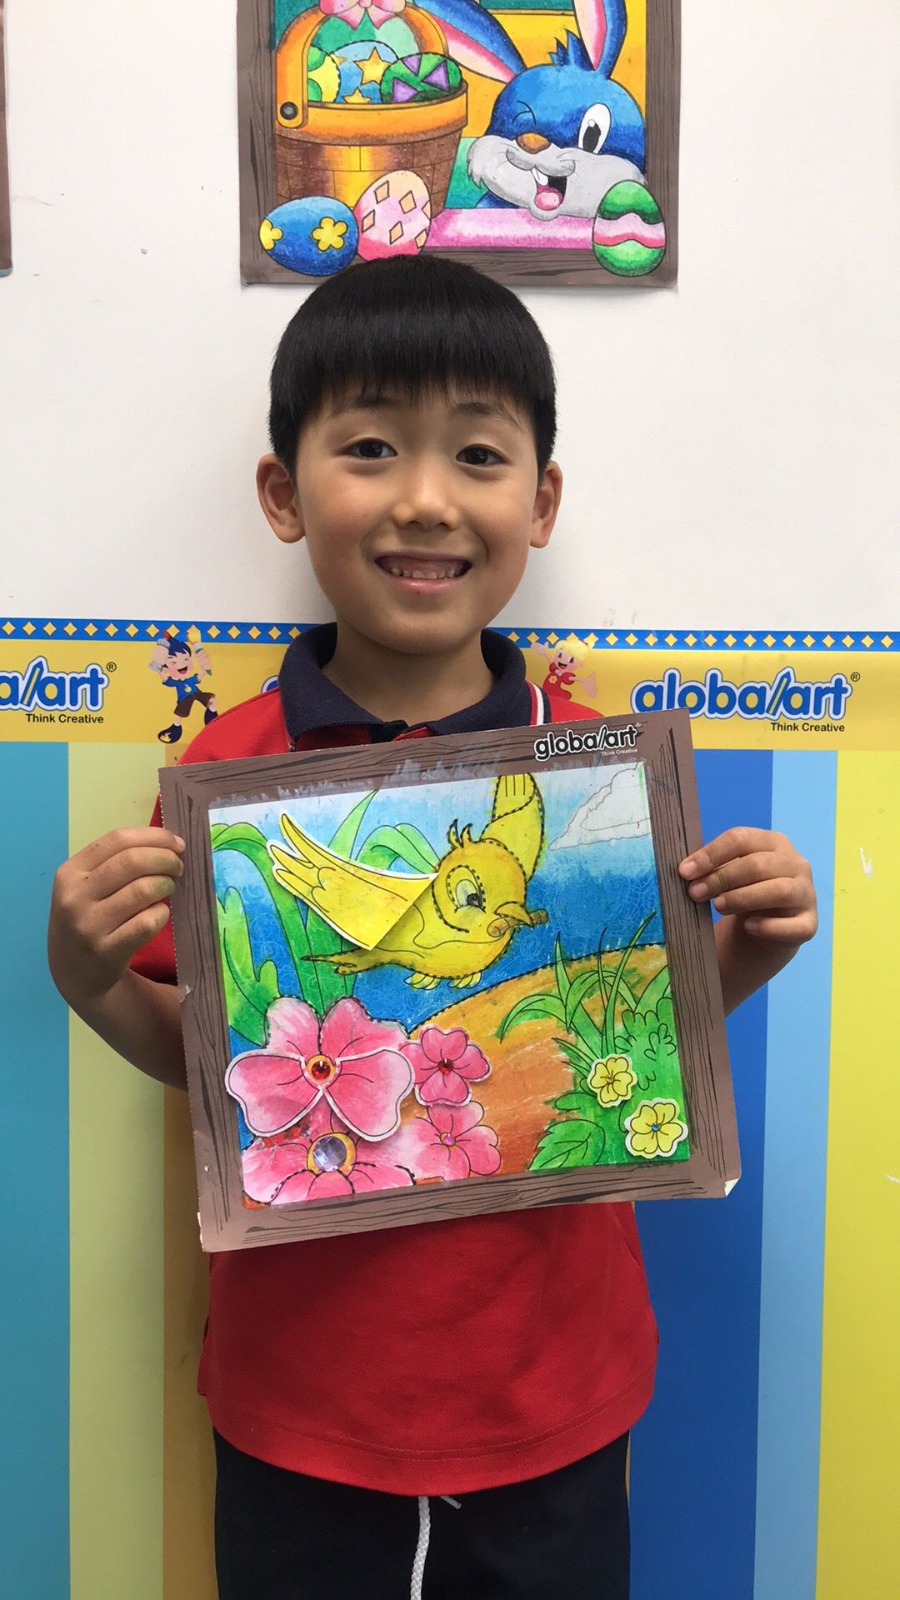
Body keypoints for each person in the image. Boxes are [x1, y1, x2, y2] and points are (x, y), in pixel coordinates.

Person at [47, 256, 817, 1600]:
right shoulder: (224, 778)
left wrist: (741, 954)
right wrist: (89, 978)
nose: (424, 497)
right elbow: (216, 1064)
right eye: (369, 447)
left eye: (476, 452)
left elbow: (622, 1031)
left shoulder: (595, 773)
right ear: (283, 493)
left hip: (556, 1400)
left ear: (541, 501)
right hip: (299, 1411)